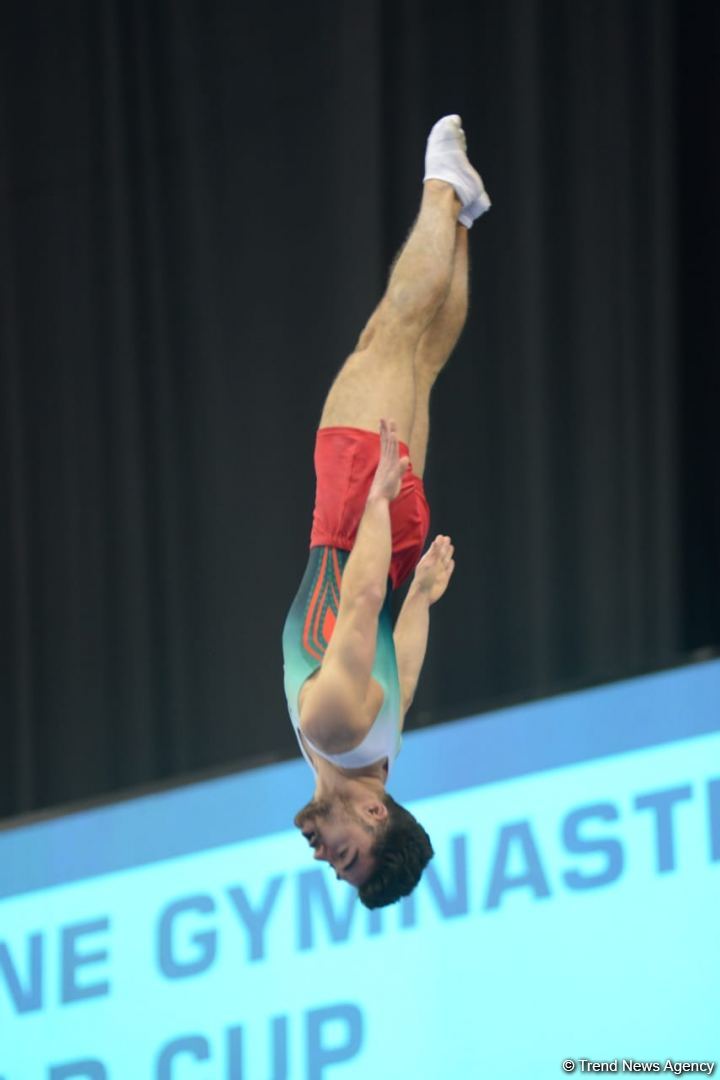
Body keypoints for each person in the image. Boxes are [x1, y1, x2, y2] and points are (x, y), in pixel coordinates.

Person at [282, 115, 490, 908]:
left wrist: (425, 596)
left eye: (337, 868)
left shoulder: (374, 754)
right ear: (376, 814)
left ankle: (463, 216)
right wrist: (373, 501)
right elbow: (362, 602)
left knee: (422, 360)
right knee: (389, 338)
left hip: (392, 544)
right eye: (350, 857)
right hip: (352, 524)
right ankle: (442, 186)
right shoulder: (335, 732)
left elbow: (399, 660)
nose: (326, 858)